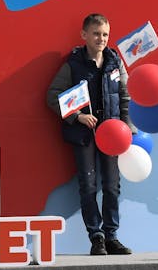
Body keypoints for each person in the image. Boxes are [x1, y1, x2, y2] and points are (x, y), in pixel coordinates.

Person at [47, 13, 133, 256]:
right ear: (84, 35)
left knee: (112, 186)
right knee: (88, 186)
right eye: (96, 33)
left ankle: (112, 236)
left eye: (105, 34)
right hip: (84, 135)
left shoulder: (115, 62)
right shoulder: (72, 64)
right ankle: (96, 237)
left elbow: (125, 96)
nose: (101, 38)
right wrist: (78, 117)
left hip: (113, 135)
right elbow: (53, 95)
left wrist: (126, 130)